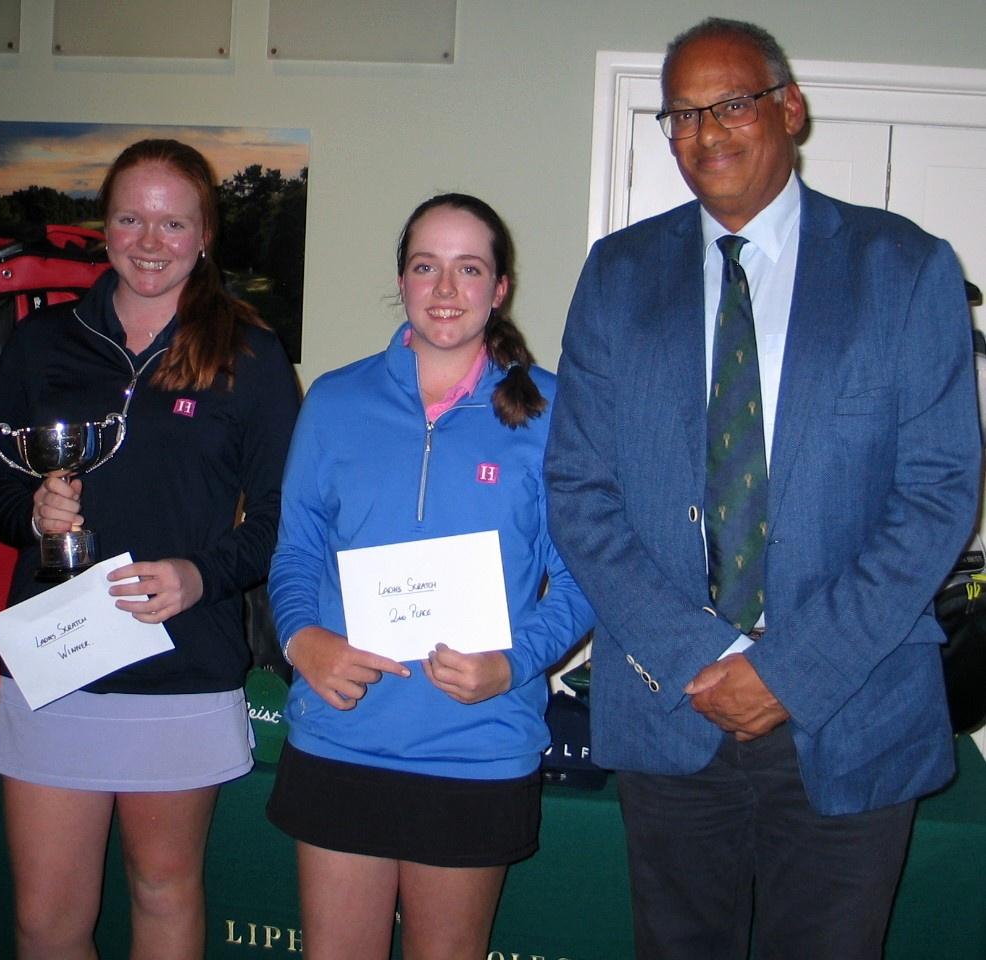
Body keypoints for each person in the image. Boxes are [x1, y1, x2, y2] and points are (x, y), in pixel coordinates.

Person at [544, 18, 981, 960]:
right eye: (683, 115)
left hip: (853, 706)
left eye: (732, 103)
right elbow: (579, 489)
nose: (707, 132)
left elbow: (939, 494)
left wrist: (787, 671)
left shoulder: (905, 269)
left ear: (789, 108)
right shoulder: (619, 275)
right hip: (675, 704)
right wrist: (704, 655)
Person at [0, 138, 300, 960]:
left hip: (180, 663)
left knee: (160, 889)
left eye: (173, 222)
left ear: (206, 234)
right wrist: (32, 512)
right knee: (46, 920)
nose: (151, 242)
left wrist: (200, 574)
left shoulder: (251, 357)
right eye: (130, 218)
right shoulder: (43, 343)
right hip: (57, 659)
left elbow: (288, 518)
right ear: (104, 227)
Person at [266, 193, 593, 960]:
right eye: (426, 267)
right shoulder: (336, 401)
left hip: (476, 745)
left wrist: (512, 664)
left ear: (500, 287)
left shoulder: (550, 410)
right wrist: (301, 638)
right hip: (343, 734)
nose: (446, 289)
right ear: (403, 280)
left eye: (468, 268)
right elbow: (297, 551)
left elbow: (581, 581)